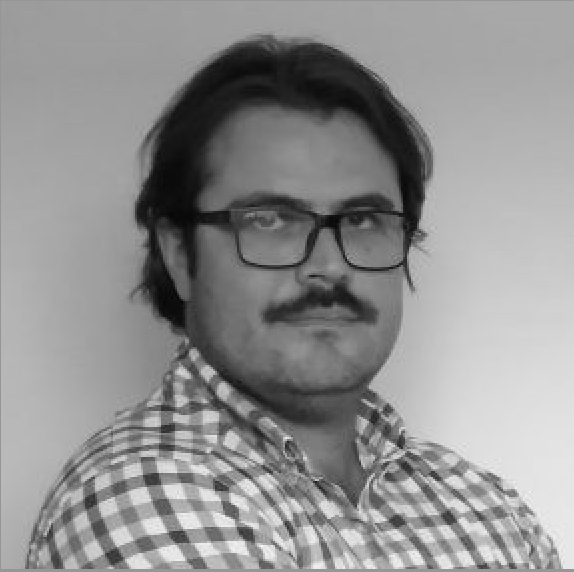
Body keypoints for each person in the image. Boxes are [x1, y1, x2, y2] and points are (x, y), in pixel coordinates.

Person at [26, 35, 561, 569]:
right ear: (179, 255)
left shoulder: (483, 503)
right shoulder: (140, 495)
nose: (328, 265)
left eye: (363, 220)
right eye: (270, 220)